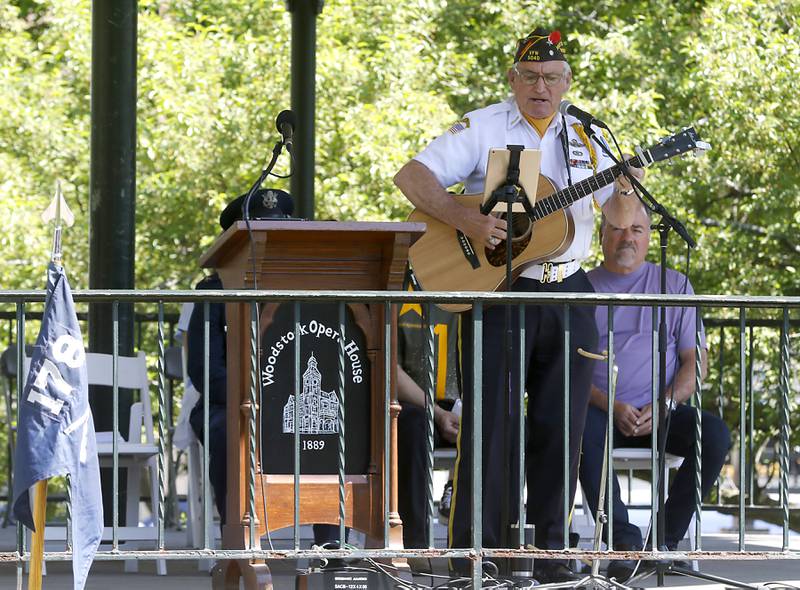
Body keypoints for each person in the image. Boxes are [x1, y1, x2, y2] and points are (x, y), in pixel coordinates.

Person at [394, 26, 643, 582]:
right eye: (530, 76)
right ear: (513, 79)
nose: (541, 87)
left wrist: (629, 186)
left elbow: (622, 221)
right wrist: (464, 217)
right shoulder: (484, 124)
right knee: (491, 428)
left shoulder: (588, 136)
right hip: (501, 290)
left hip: (570, 288)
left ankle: (551, 559)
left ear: (567, 83)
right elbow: (411, 176)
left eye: (552, 78)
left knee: (564, 429)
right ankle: (476, 559)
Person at [579, 203, 731, 581]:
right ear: (601, 237)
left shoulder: (675, 285)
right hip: (599, 408)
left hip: (660, 410)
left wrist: (664, 404)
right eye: (616, 229)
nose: (626, 237)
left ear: (649, 237)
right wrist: (612, 405)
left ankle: (662, 543)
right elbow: (567, 368)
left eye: (636, 229)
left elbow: (694, 363)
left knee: (713, 435)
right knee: (577, 429)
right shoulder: (581, 286)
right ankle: (623, 544)